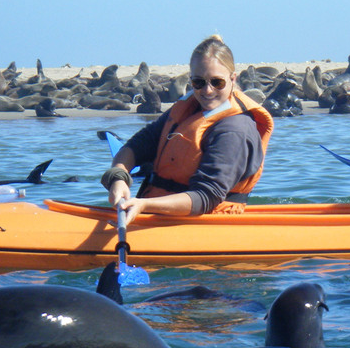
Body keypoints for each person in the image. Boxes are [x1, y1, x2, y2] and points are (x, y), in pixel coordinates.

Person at [102, 35, 273, 223]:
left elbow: (206, 197)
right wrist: (118, 176)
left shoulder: (235, 130)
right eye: (198, 82)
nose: (207, 90)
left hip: (205, 222)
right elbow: (136, 146)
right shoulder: (185, 110)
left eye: (217, 82)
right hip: (158, 214)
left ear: (233, 79)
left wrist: (144, 205)